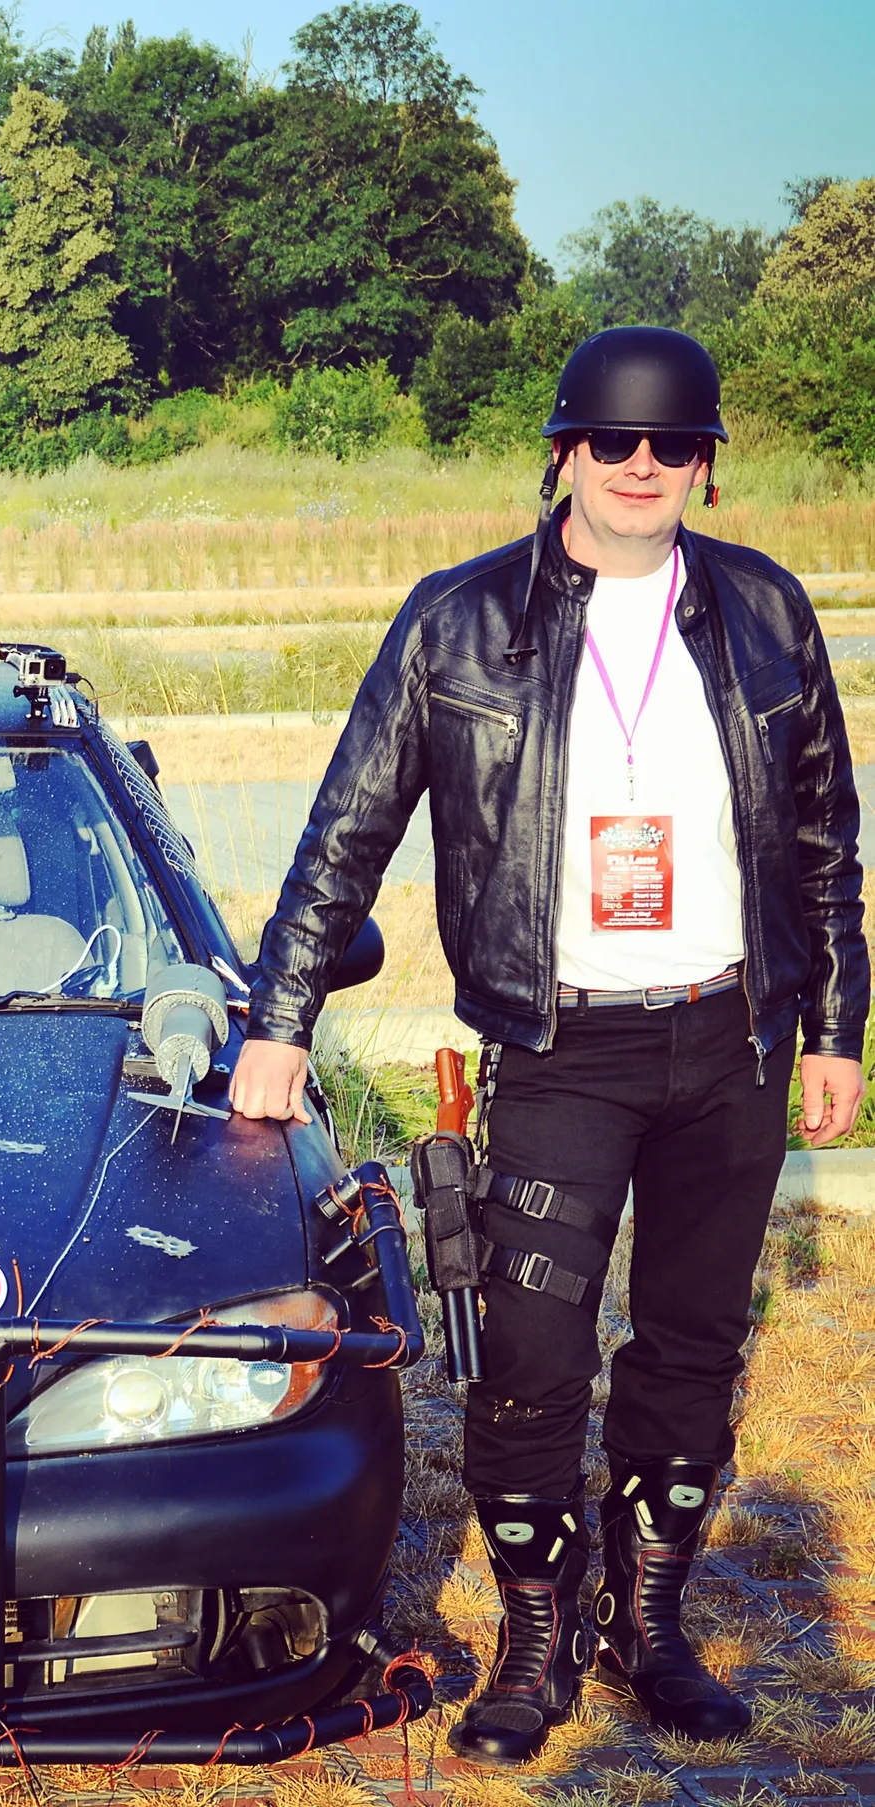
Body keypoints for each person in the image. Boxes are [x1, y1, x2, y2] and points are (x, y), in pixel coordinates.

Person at [231, 327, 867, 1765]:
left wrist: (836, 1028)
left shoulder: (766, 609)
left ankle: (649, 1625)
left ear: (704, 464)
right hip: (559, 1043)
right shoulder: (456, 623)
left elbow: (825, 842)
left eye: (674, 444)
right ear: (566, 453)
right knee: (528, 1356)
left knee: (694, 1343)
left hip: (732, 1036)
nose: (643, 465)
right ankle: (535, 1635)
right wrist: (280, 1019)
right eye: (615, 441)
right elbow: (346, 830)